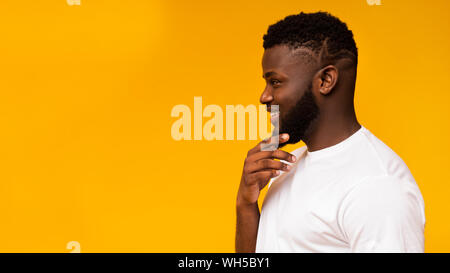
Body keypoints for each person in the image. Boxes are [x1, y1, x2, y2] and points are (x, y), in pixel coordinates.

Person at [235, 11, 425, 253]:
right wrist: (246, 204)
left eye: (275, 82)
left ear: (326, 80)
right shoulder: (284, 171)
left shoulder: (378, 186)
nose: (264, 96)